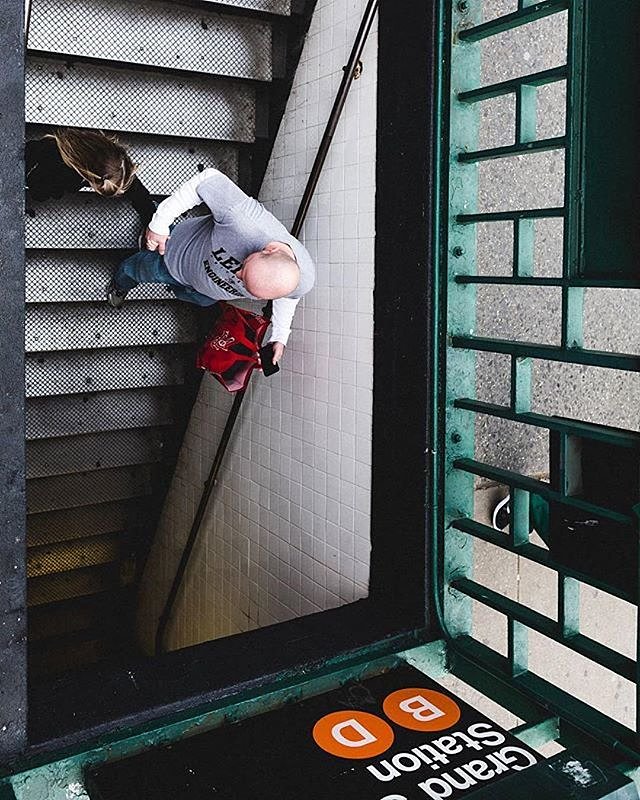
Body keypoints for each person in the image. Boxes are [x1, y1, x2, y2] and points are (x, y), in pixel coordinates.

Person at [107, 168, 315, 364]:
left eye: (245, 283)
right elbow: (207, 178)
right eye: (244, 268)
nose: (236, 274)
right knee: (139, 269)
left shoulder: (301, 279)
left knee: (198, 299)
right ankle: (121, 282)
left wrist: (279, 336)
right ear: (268, 249)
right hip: (176, 257)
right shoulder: (242, 218)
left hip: (206, 292)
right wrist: (160, 224)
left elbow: (288, 297)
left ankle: (171, 271)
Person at [25, 128, 156, 226]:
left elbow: (132, 186)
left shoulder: (104, 159)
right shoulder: (60, 168)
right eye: (95, 186)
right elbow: (38, 193)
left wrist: (153, 221)